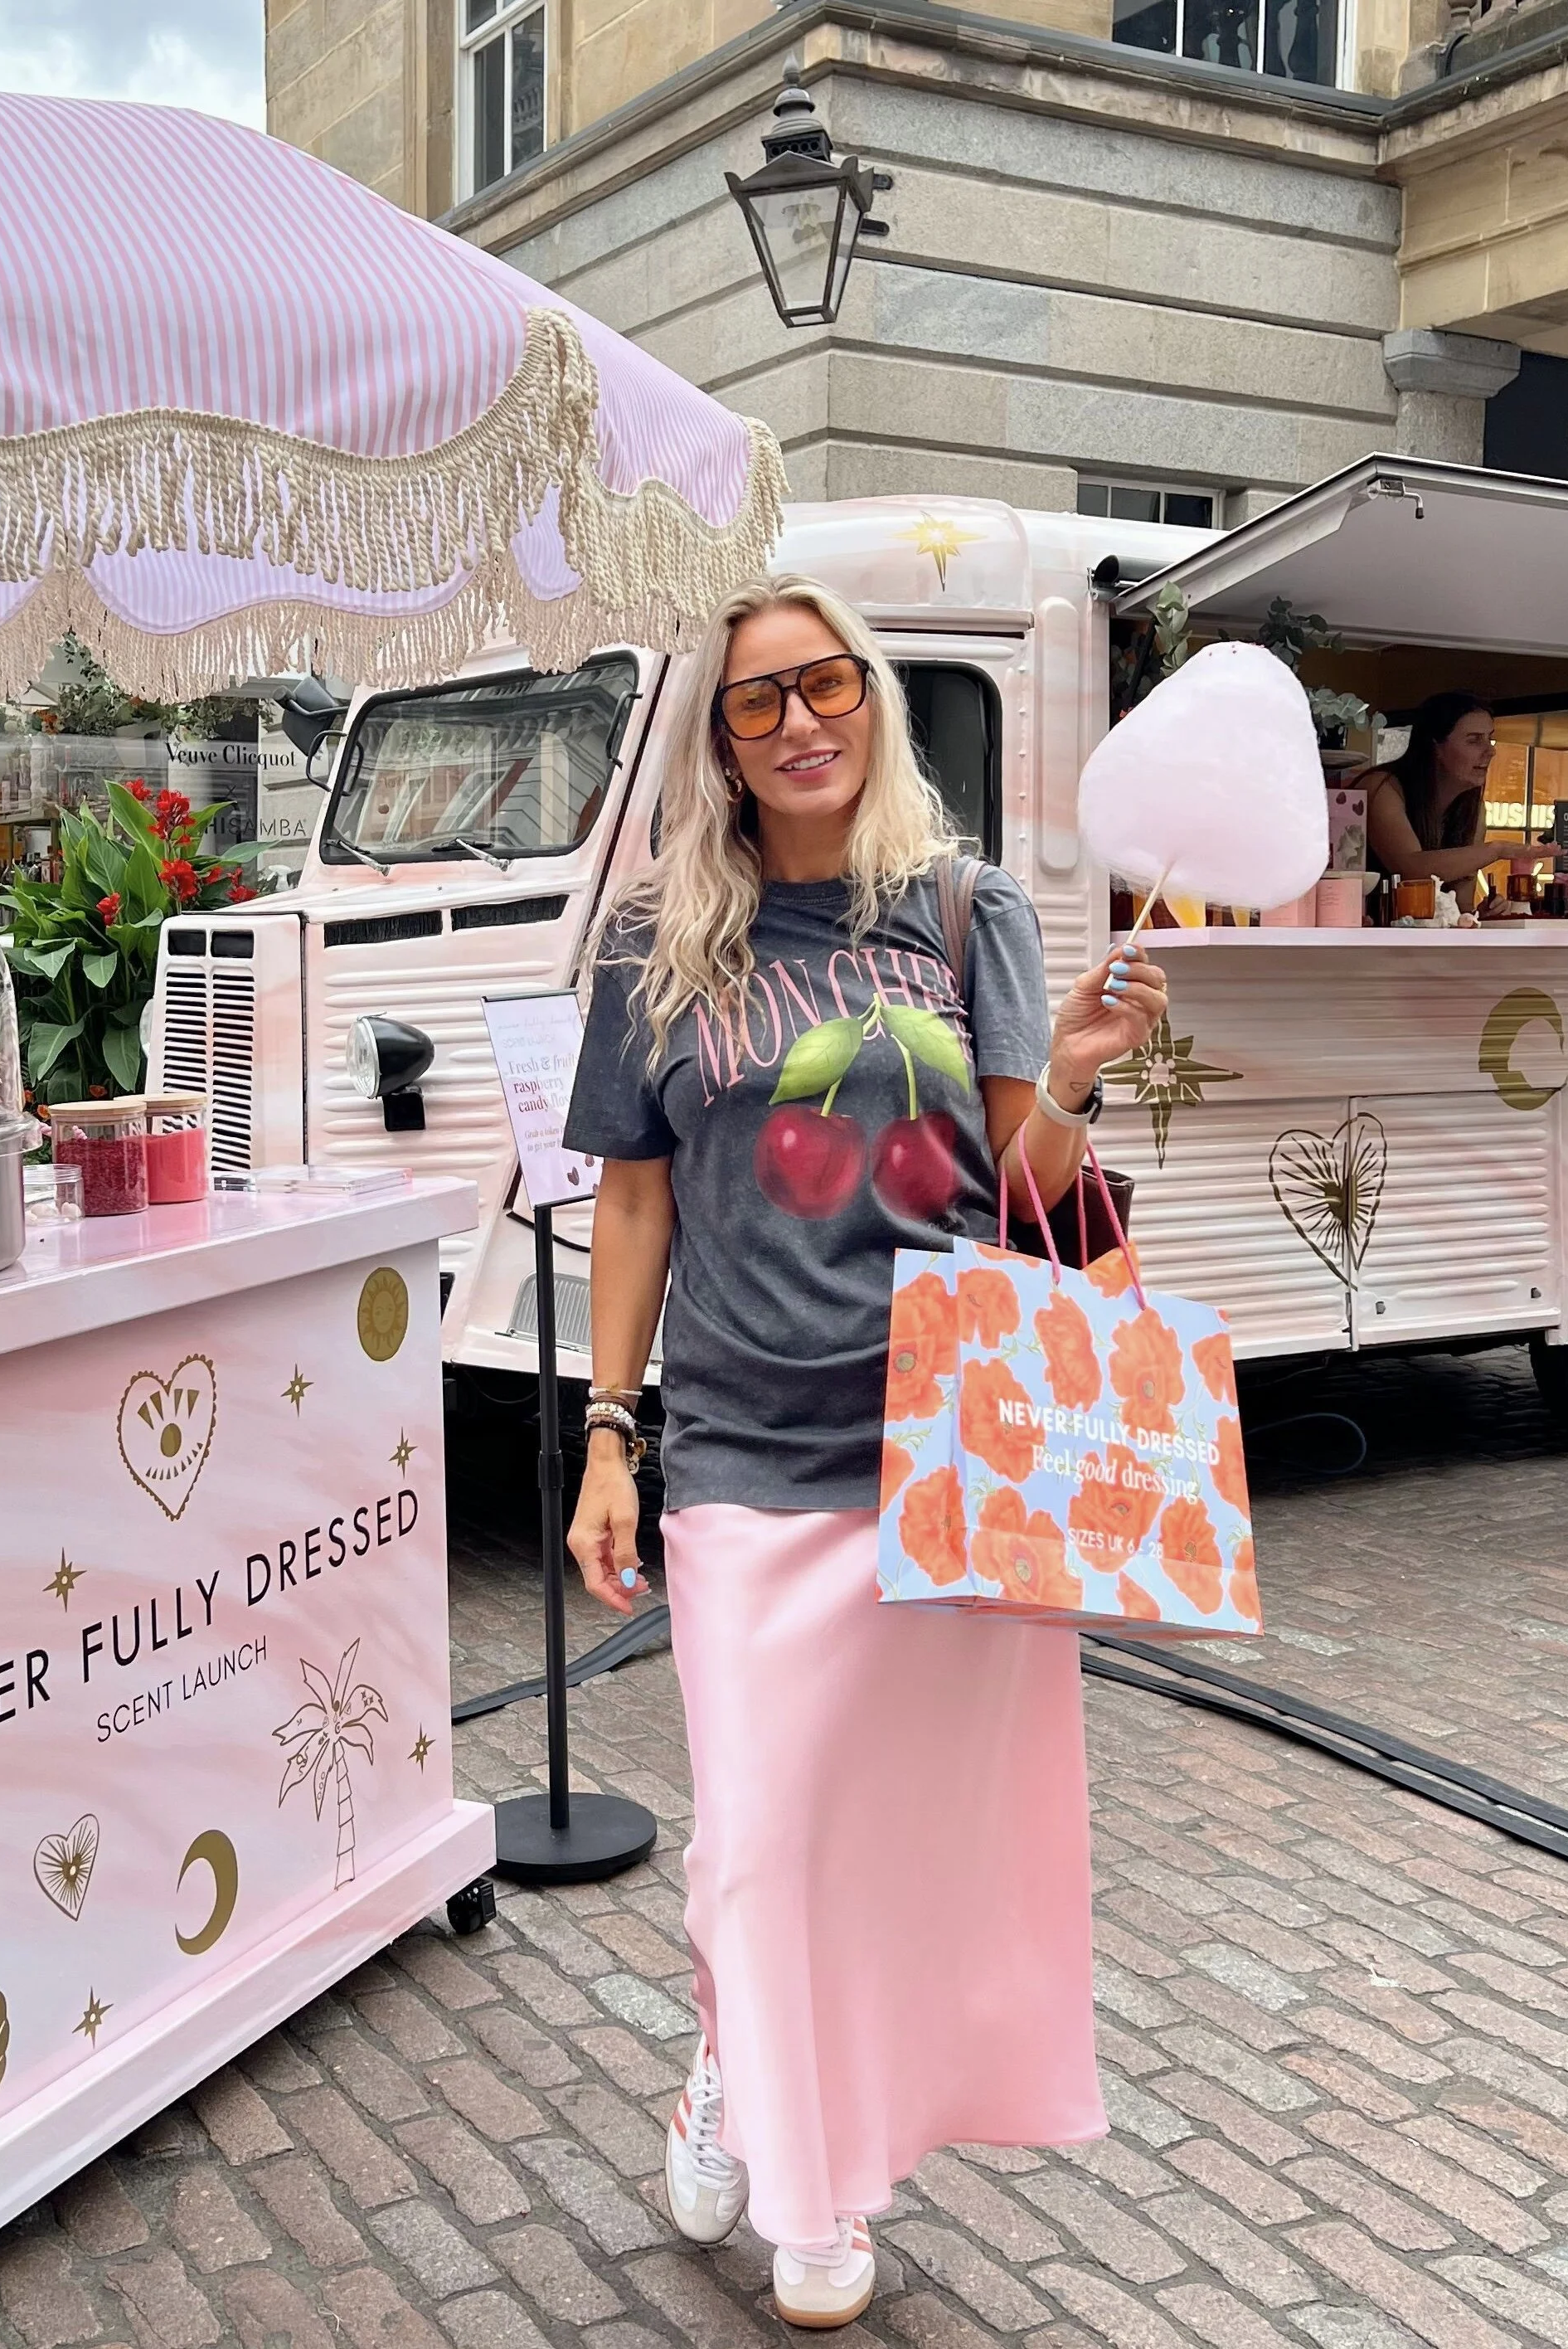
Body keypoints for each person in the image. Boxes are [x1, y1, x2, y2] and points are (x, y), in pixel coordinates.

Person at [561, 576, 1169, 2329]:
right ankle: (797, 2181)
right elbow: (629, 1203)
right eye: (755, 702)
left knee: (875, 1840)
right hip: (745, 1455)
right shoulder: (654, 940)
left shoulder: (960, 907)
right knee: (755, 1836)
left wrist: (1069, 1072)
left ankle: (738, 2070)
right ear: (720, 743)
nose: (796, 720)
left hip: (941, 1453)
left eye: (822, 684)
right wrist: (611, 1436)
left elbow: (1023, 1190)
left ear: (871, 700)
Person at [1363, 693, 1498, 914]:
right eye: (1474, 740)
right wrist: (1496, 850)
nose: (1490, 751)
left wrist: (1482, 915)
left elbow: (1462, 906)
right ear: (1435, 746)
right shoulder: (1382, 787)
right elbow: (1412, 871)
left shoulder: (1473, 808)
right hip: (1364, 938)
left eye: (1490, 739)